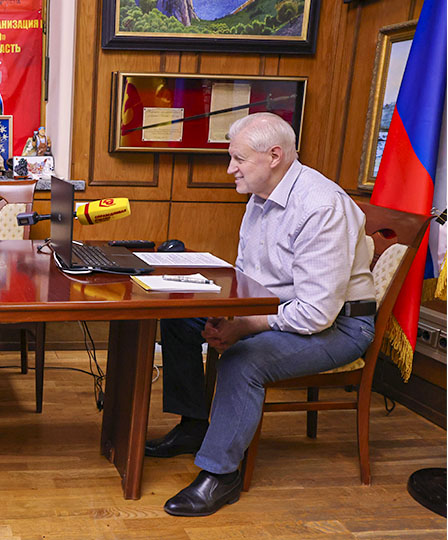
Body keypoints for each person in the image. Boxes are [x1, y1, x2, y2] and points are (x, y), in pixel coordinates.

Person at [148, 112, 376, 517]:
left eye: (238, 159)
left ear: (274, 156)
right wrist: (227, 315)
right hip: (275, 311)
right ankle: (195, 426)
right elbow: (248, 274)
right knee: (180, 318)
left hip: (341, 326)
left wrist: (245, 327)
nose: (230, 168)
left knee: (243, 360)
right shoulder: (260, 195)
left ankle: (221, 475)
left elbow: (317, 313)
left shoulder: (321, 207)